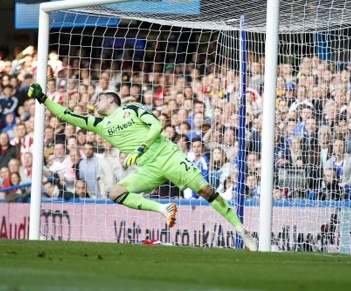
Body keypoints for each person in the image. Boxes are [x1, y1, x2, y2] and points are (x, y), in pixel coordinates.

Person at [27, 84, 257, 250]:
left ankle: (241, 230)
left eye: (99, 98)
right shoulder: (99, 124)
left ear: (111, 100)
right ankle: (163, 209)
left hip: (168, 156)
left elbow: (156, 126)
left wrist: (139, 149)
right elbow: (67, 115)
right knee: (115, 193)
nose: (95, 102)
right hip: (148, 168)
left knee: (206, 191)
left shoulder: (133, 109)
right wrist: (43, 98)